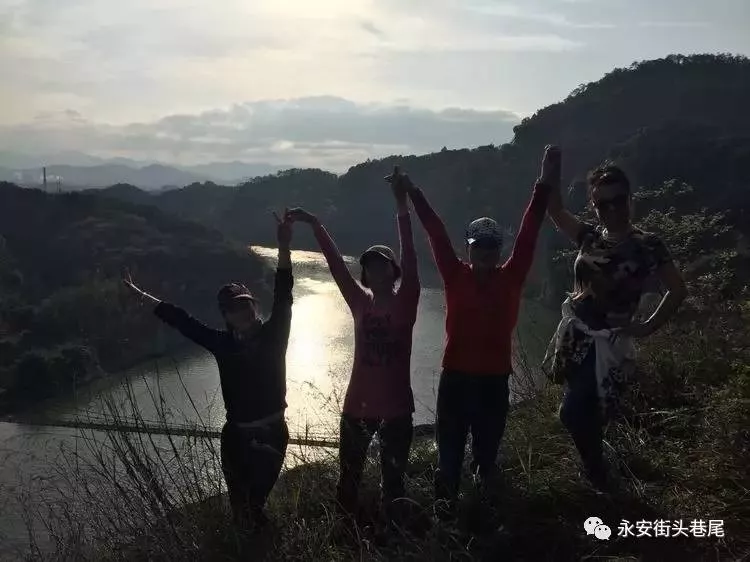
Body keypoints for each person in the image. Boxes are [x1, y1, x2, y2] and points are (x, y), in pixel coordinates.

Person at [401, 146, 559, 512]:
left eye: (491, 246)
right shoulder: (454, 274)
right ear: (468, 248)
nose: (485, 252)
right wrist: (413, 192)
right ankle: (446, 518)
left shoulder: (512, 277)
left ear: (499, 249)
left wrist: (544, 181)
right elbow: (435, 233)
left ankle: (483, 517)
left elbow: (529, 231)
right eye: (479, 246)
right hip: (455, 381)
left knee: (486, 458)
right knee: (449, 457)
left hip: (493, 382)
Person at [122, 211, 295, 530]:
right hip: (235, 437)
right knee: (239, 509)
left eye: (244, 305)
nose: (240, 312)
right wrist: (142, 296)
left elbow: (284, 293)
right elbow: (183, 321)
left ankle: (267, 544)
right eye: (232, 309)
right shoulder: (221, 343)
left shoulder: (274, 334)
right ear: (225, 316)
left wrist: (284, 246)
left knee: (255, 505)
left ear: (254, 305)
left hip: (271, 431)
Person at [544, 162, 687, 491]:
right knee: (587, 410)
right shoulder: (589, 237)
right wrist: (551, 167)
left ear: (630, 199)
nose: (611, 210)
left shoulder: (647, 244)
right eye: (602, 203)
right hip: (576, 337)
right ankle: (603, 475)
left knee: (572, 412)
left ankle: (599, 475)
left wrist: (646, 327)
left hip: (608, 344)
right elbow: (555, 210)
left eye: (618, 200)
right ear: (594, 206)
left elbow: (677, 289)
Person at [286, 168, 420, 519]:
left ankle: (393, 535)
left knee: (394, 484)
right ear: (365, 274)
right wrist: (315, 224)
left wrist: (401, 205)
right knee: (348, 481)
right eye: (370, 267)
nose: (376, 271)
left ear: (394, 271)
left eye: (382, 265)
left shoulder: (407, 301)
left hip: (396, 409)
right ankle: (345, 535)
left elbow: (410, 251)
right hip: (357, 407)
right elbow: (335, 265)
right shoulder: (359, 301)